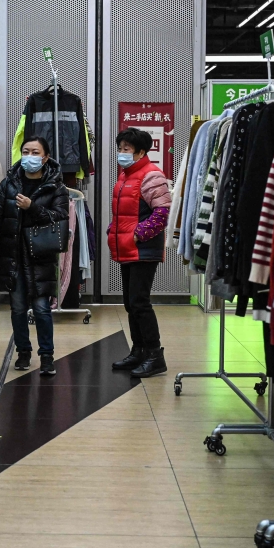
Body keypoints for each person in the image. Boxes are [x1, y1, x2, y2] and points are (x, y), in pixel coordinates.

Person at [0, 136, 69, 375]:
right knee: (18, 308)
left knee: (41, 309)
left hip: (41, 257)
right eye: (26, 151)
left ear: (46, 157)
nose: (30, 157)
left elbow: (60, 217)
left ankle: (47, 356)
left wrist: (33, 207)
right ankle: (23, 352)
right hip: (13, 256)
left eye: (35, 152)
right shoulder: (9, 184)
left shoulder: (56, 186)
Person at [109, 127, 172, 378]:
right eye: (120, 148)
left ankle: (155, 355)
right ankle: (139, 350)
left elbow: (162, 213)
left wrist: (138, 234)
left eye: (127, 149)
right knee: (130, 303)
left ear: (142, 152)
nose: (121, 153)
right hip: (127, 247)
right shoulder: (125, 175)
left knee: (140, 302)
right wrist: (113, 230)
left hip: (143, 249)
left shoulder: (152, 176)